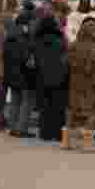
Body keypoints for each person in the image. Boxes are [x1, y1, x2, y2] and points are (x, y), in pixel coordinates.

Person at [66, 18, 95, 150]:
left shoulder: (74, 45)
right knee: (92, 111)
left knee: (74, 110)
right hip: (94, 83)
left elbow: (67, 61)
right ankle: (87, 143)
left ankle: (70, 141)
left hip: (76, 83)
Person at [33, 15, 69, 143]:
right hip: (59, 78)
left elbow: (34, 60)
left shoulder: (36, 40)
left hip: (42, 77)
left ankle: (45, 132)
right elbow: (66, 58)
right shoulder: (61, 40)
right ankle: (59, 133)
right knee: (58, 107)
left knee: (45, 107)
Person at [4, 14, 36, 138]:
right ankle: (22, 129)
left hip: (11, 75)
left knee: (15, 101)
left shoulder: (9, 36)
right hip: (24, 74)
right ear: (25, 25)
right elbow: (26, 58)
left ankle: (13, 128)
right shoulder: (24, 37)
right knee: (26, 102)